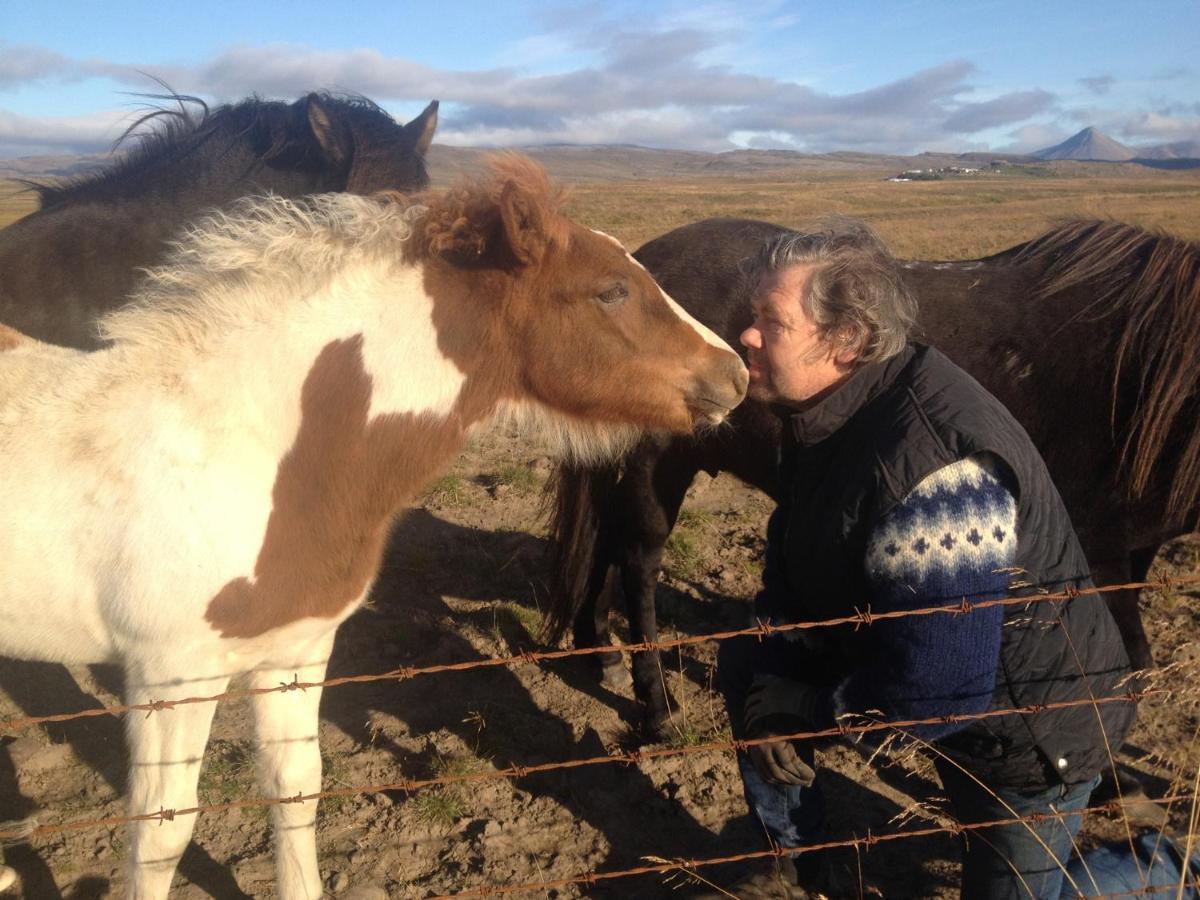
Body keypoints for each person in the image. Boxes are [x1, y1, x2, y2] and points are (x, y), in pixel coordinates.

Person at [713, 220, 1140, 899]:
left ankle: (1163, 874)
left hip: (1027, 736)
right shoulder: (829, 412)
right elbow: (794, 553)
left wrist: (808, 705)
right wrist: (775, 679)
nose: (746, 335)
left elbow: (939, 690)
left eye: (771, 322)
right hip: (937, 675)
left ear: (845, 340)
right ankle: (805, 871)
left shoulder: (935, 466)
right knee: (748, 662)